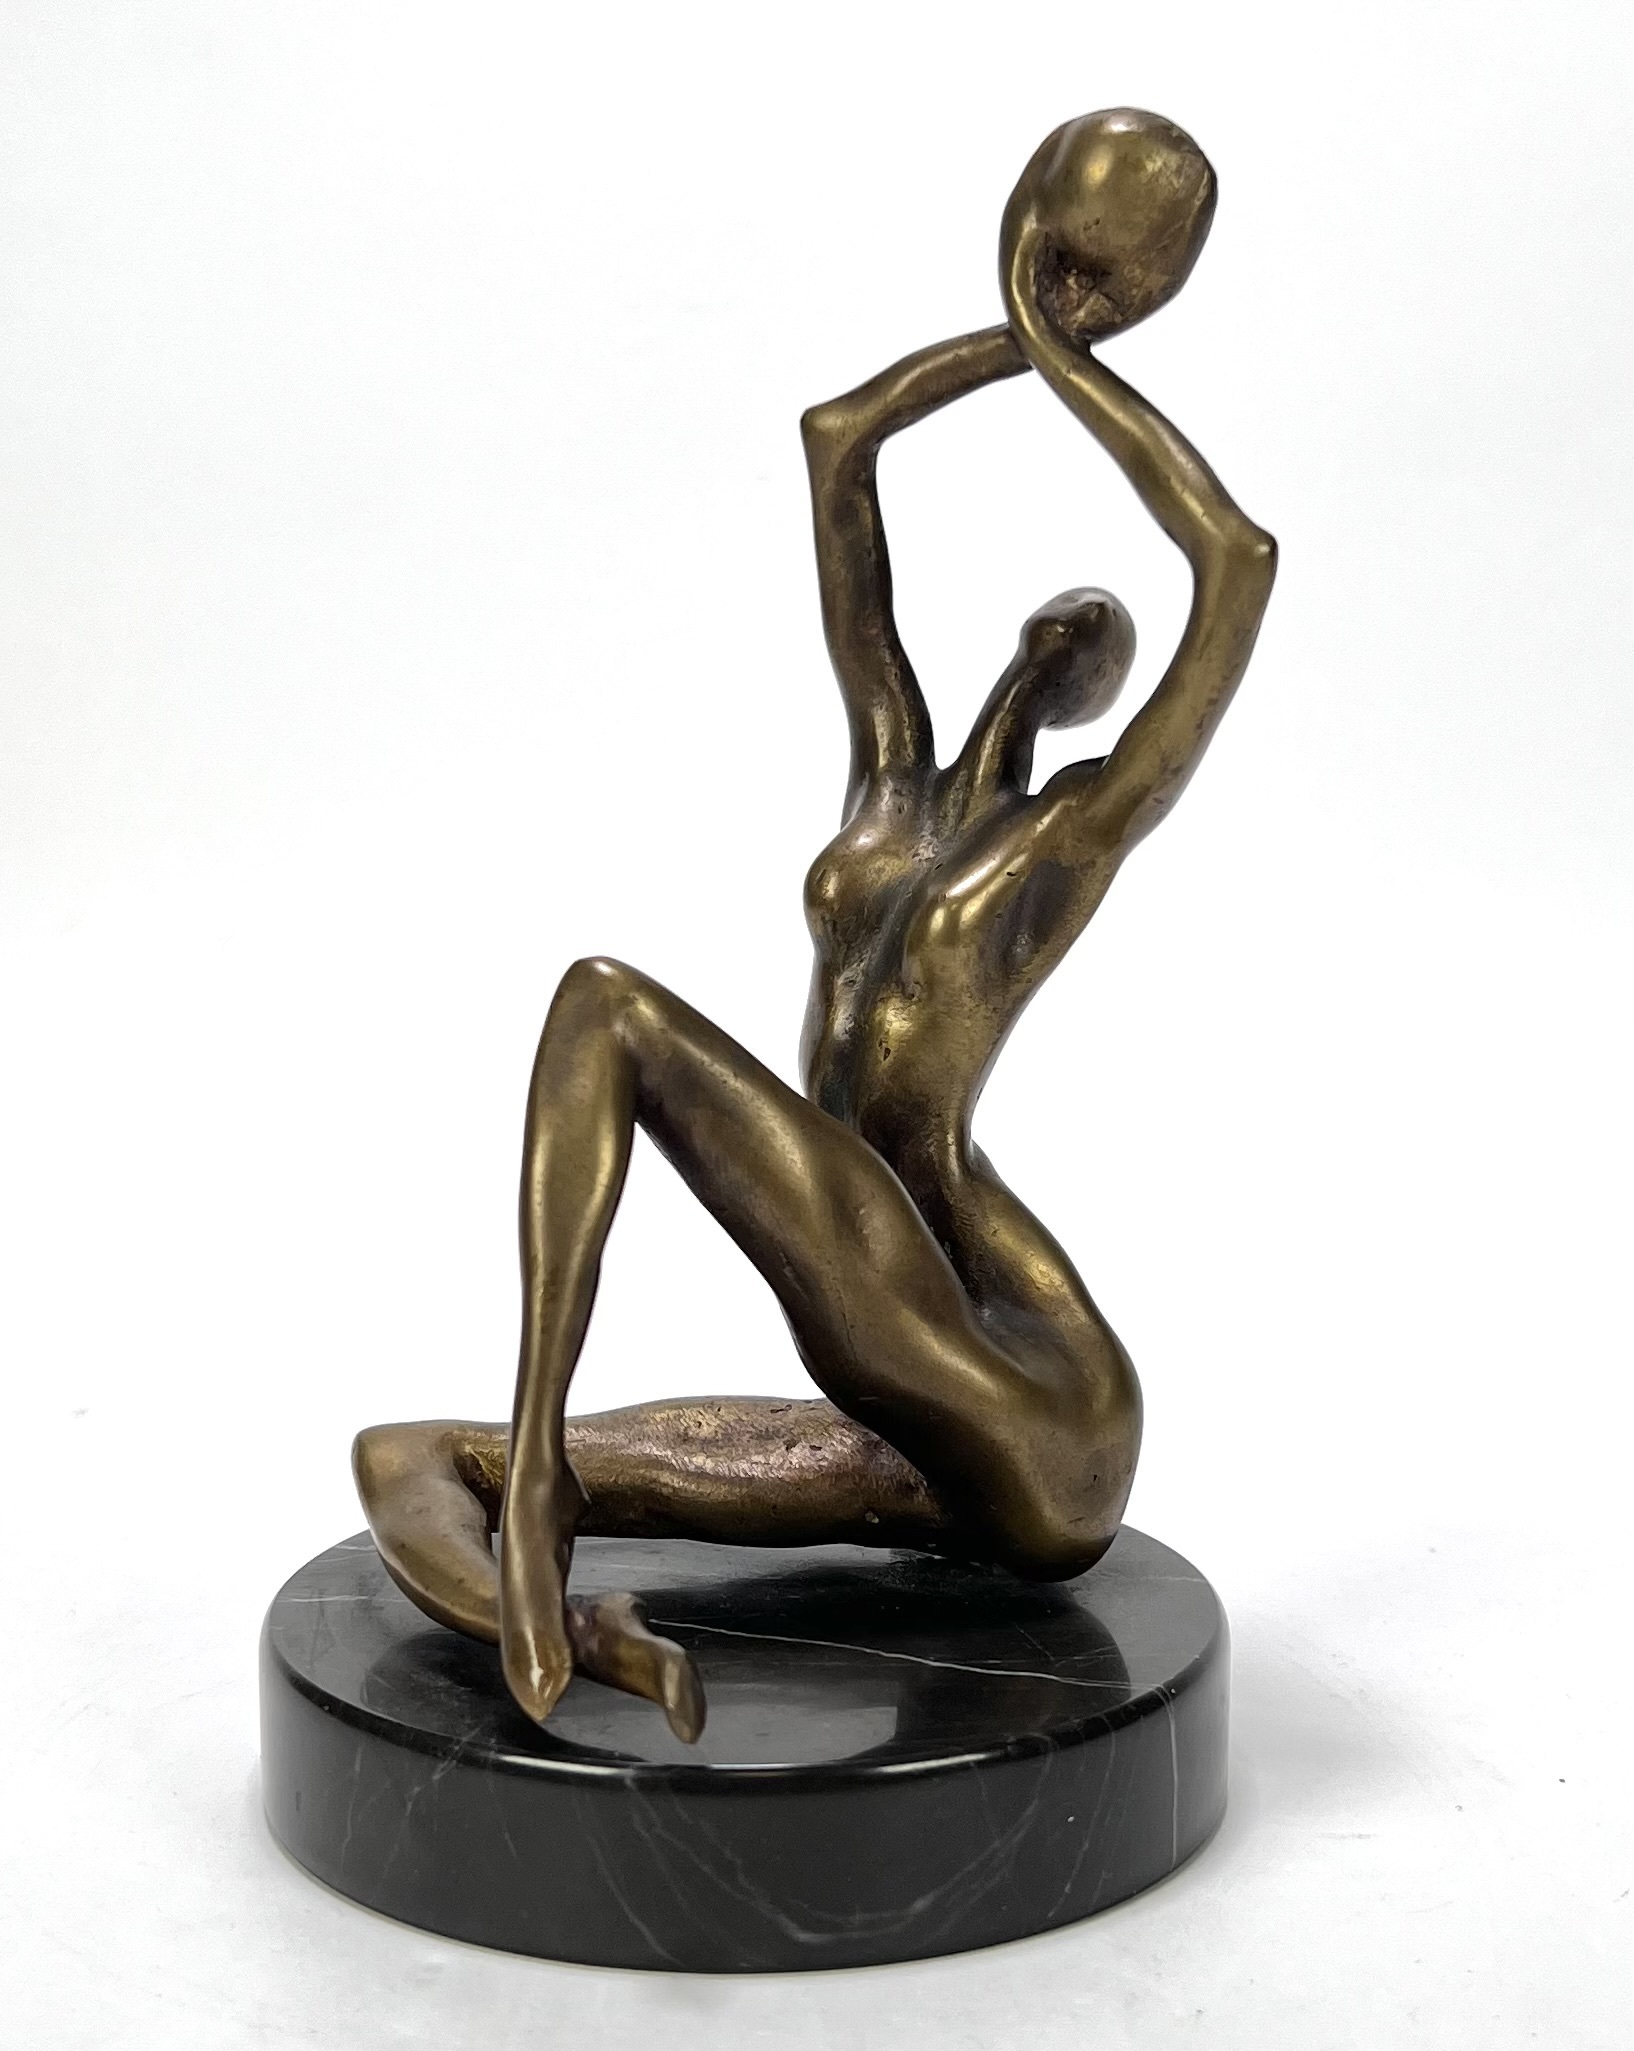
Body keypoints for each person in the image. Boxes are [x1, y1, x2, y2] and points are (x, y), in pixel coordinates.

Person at [354, 121, 1277, 1740]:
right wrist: (1022, 321)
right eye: (1054, 617)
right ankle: (559, 1599)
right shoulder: (889, 784)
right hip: (929, 1406)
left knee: (605, 1003)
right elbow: (838, 439)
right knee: (408, 1462)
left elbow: (1235, 558)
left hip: (1021, 1379)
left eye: (1091, 637)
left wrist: (1060, 346)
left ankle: (540, 1486)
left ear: (1102, 698)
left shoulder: (1072, 837)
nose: (1059, 634)